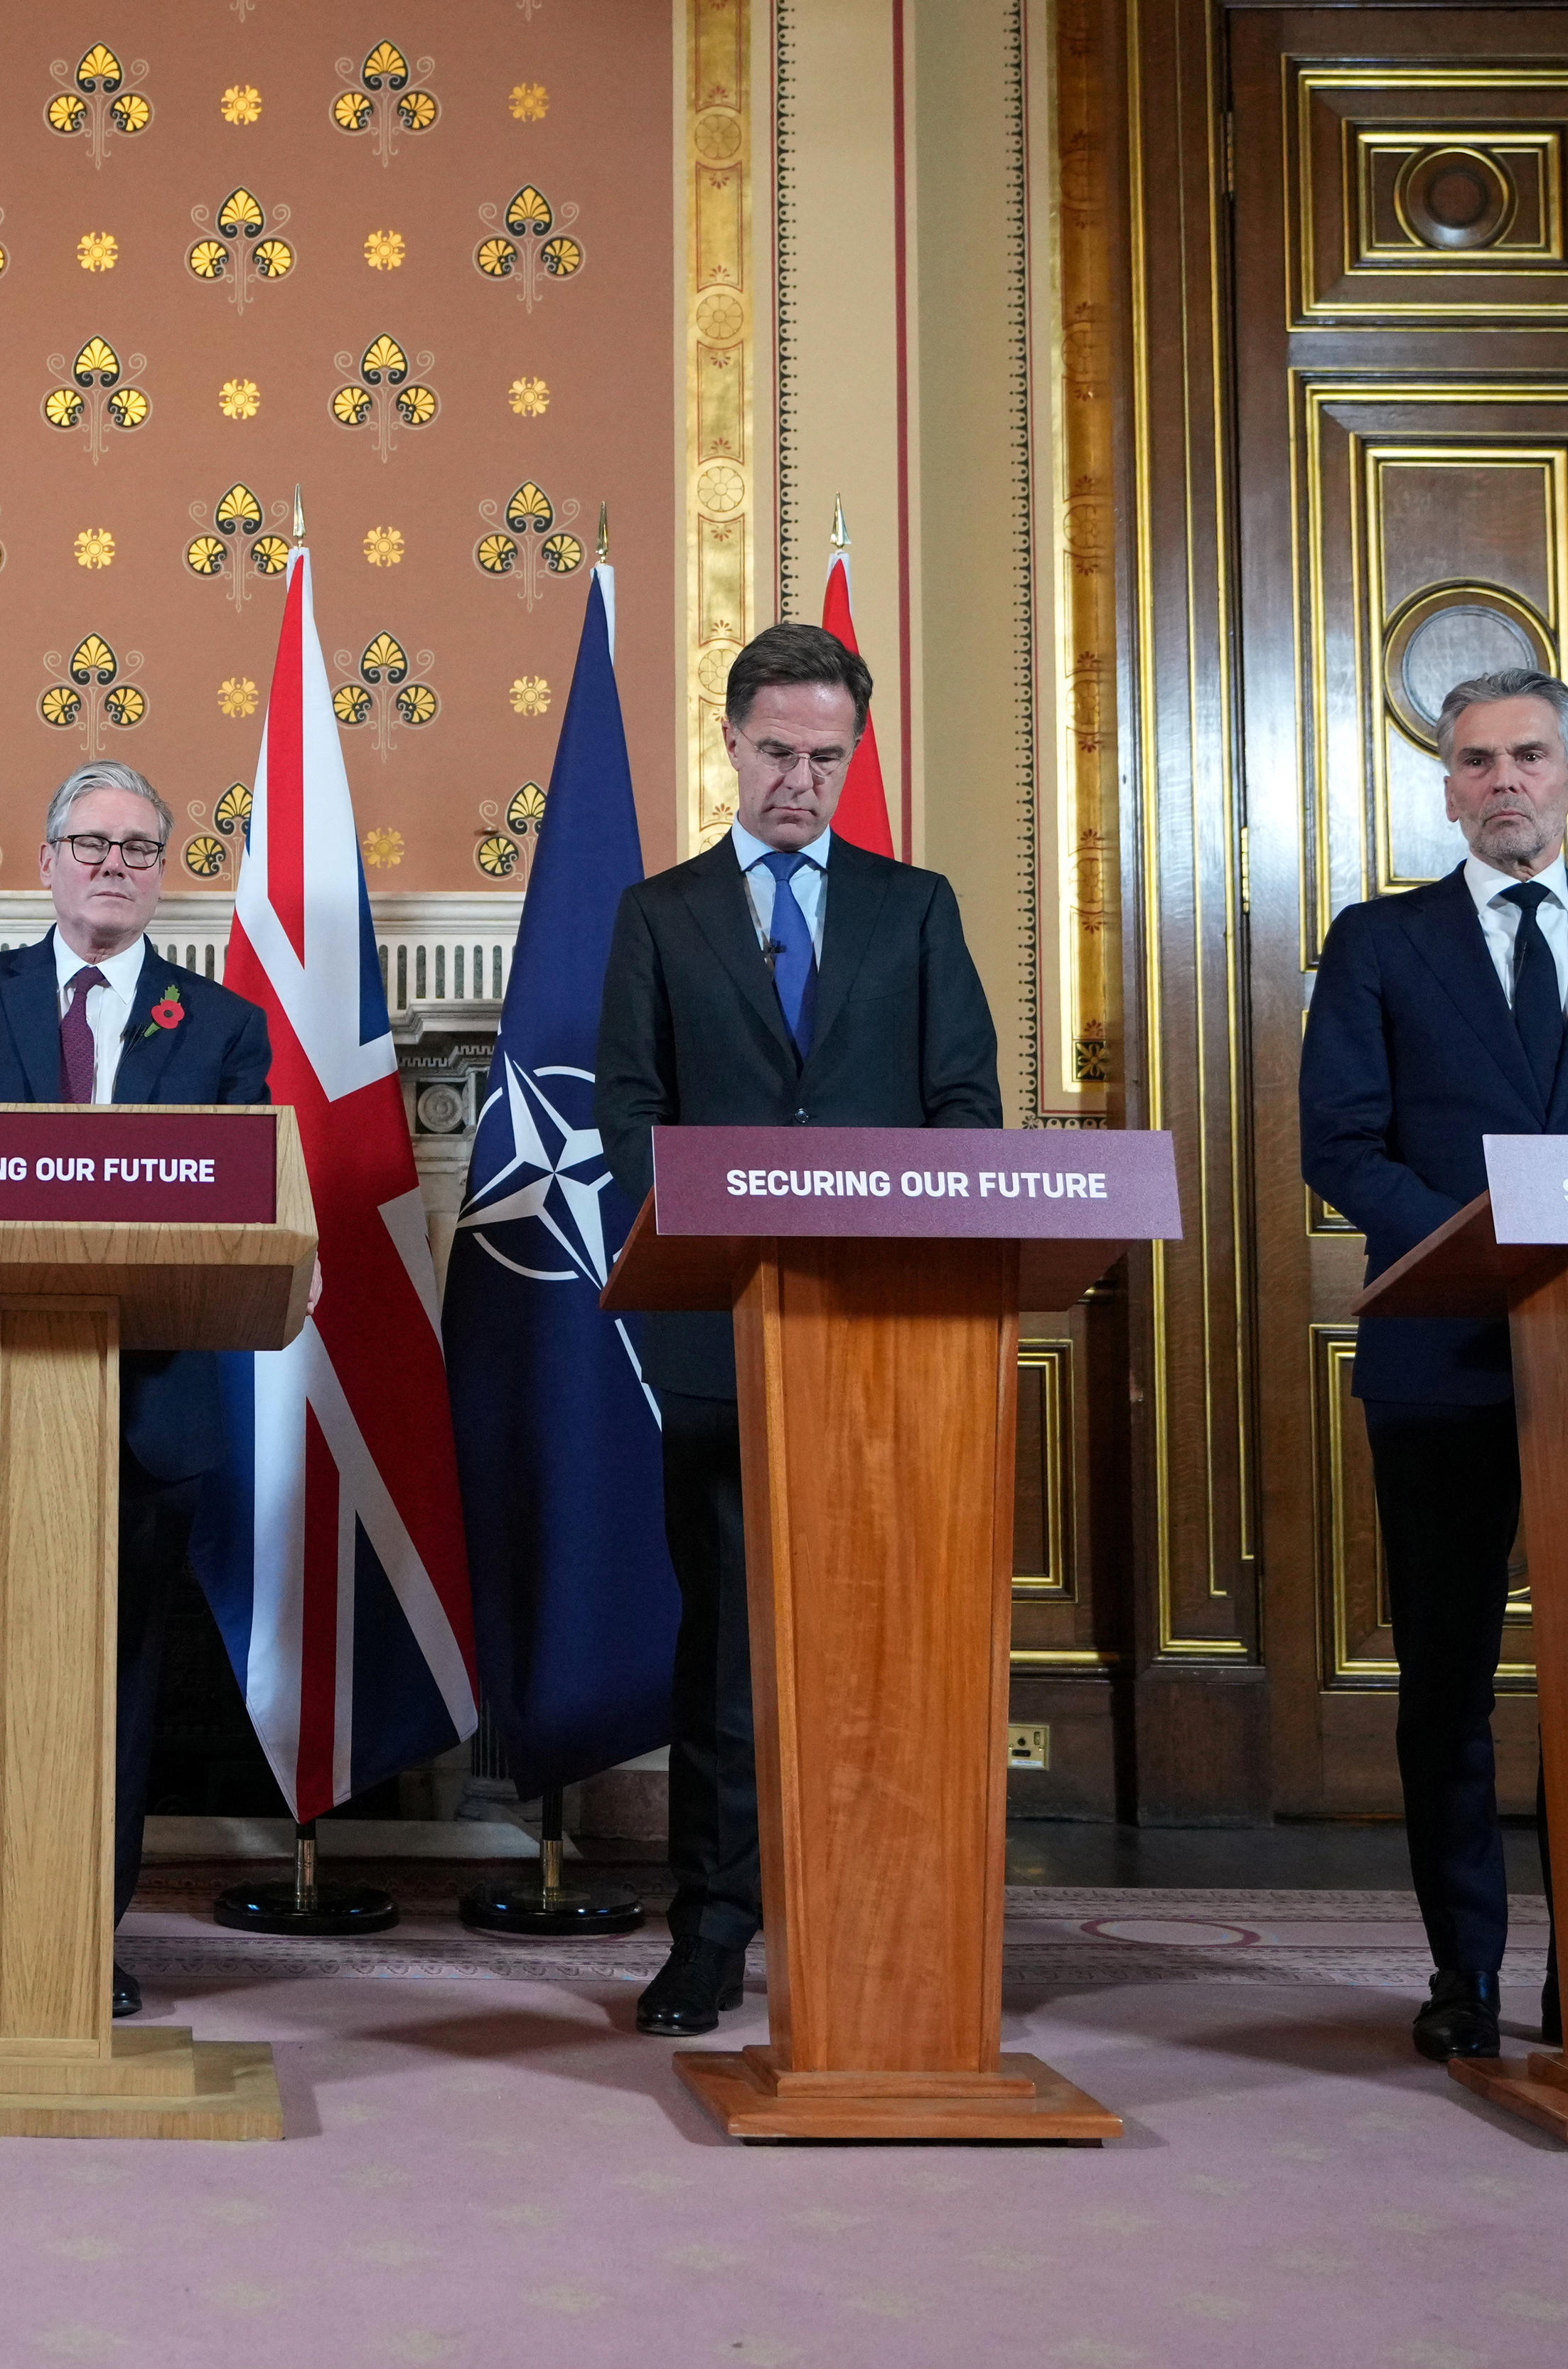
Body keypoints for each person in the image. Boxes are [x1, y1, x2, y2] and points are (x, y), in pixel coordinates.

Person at [1299, 667, 1568, 2064]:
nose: (1502, 779)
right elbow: (1340, 1140)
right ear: (1446, 788)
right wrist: (1483, 1250)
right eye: (1476, 760)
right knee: (1448, 1676)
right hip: (1443, 1357)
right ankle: (1465, 1977)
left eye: (1528, 756)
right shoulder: (1378, 941)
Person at [593, 621, 1004, 2038]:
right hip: (722, 1341)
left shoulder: (915, 906)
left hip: (891, 1345)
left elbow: (964, 1107)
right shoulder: (662, 912)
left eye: (828, 757)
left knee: (887, 1643)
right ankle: (710, 1931)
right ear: (729, 744)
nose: (801, 780)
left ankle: (886, 1917)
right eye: (777, 752)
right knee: (727, 1657)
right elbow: (629, 1119)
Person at [0, 759, 273, 2034]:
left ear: (165, 875)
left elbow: (243, 1197)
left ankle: (71, 1937)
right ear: (43, 861)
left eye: (141, 849)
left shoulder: (216, 1029)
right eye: (91, 844)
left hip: (142, 1405)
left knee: (111, 1684)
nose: (115, 866)